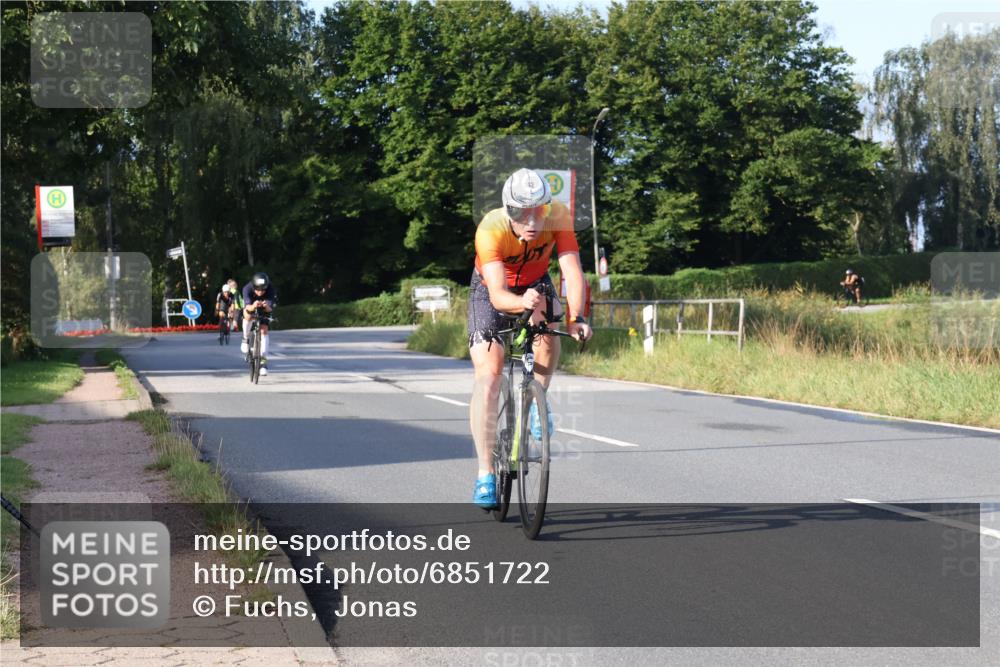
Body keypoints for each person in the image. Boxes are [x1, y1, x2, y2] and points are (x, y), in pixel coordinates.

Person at [468, 168, 593, 508]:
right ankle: (484, 474)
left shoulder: (559, 216)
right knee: (489, 378)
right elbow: (498, 295)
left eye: (540, 211)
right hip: (492, 289)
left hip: (536, 282)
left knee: (549, 331)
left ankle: (538, 400)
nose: (534, 221)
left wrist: (577, 318)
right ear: (509, 211)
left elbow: (572, 271)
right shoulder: (491, 228)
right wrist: (520, 302)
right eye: (523, 214)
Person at [241, 272, 277, 375]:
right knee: (247, 316)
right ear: (253, 287)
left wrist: (266, 306)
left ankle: (263, 361)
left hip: (264, 309)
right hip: (251, 306)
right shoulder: (247, 288)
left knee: (264, 330)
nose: (260, 292)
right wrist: (253, 306)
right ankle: (245, 338)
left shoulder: (270, 289)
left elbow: (270, 309)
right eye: (258, 290)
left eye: (263, 290)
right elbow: (247, 307)